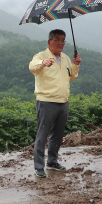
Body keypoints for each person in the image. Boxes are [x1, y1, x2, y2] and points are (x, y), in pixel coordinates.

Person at [29, 29, 81, 178]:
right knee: (42, 134)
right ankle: (39, 166)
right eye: (57, 39)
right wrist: (42, 63)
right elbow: (32, 67)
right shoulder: (41, 56)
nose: (60, 43)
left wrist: (76, 65)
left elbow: (70, 76)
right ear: (49, 41)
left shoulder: (64, 58)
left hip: (63, 102)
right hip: (46, 102)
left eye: (63, 40)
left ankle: (52, 161)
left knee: (57, 134)